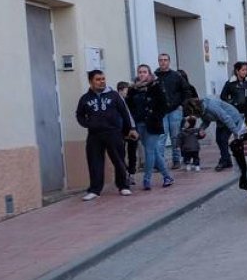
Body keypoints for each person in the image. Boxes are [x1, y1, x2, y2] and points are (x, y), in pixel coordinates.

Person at [75, 70, 135, 201]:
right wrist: (87, 124)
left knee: (119, 160)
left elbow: (124, 112)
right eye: (98, 79)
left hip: (113, 133)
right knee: (95, 162)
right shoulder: (85, 98)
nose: (102, 81)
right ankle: (95, 190)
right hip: (94, 135)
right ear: (91, 81)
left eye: (103, 78)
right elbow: (79, 114)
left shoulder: (114, 95)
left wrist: (130, 129)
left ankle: (123, 186)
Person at [126, 64, 174, 191]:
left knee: (149, 151)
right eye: (140, 72)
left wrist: (156, 116)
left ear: (149, 73)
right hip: (139, 124)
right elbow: (129, 107)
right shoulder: (133, 89)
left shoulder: (155, 86)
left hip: (153, 124)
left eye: (144, 72)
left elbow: (164, 105)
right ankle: (167, 176)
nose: (142, 74)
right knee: (155, 152)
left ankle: (146, 180)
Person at [155, 53, 193, 170]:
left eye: (165, 60)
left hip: (175, 110)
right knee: (161, 137)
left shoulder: (176, 76)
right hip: (161, 112)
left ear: (169, 62)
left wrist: (182, 104)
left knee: (175, 136)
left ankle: (176, 160)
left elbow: (187, 90)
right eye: (161, 60)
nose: (163, 62)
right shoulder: (154, 77)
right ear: (158, 62)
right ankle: (160, 163)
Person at [216, 61, 247, 170]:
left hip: (246, 114)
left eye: (246, 70)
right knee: (222, 138)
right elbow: (223, 97)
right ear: (237, 71)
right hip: (233, 114)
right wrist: (232, 103)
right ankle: (225, 159)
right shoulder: (230, 83)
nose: (245, 72)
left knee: (244, 136)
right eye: (243, 70)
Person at [116, 80, 139, 184]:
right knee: (122, 152)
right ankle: (126, 173)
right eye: (126, 90)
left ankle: (131, 173)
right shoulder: (117, 101)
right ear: (121, 90)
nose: (127, 93)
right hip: (123, 130)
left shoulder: (129, 100)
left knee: (132, 152)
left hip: (131, 129)